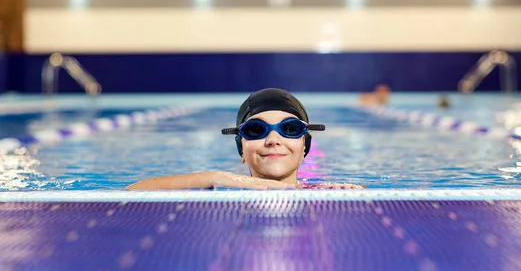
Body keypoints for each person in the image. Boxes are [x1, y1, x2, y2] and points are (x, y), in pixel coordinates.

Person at [127, 88, 363, 190]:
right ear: (242, 149)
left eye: (289, 129)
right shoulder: (221, 188)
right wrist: (218, 178)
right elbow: (134, 190)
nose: (273, 139)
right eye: (255, 130)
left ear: (304, 148)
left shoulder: (324, 193)